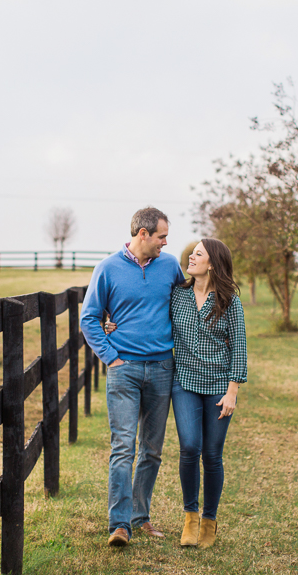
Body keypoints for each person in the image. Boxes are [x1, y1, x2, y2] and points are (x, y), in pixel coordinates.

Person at [105, 238, 248, 549]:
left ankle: (209, 521)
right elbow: (146, 311)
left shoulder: (229, 302)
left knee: (212, 454)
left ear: (212, 263)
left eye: (198, 254)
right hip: (183, 382)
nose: (190, 257)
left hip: (218, 386)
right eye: (192, 253)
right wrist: (111, 323)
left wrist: (233, 390)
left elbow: (239, 347)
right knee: (189, 447)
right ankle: (190, 517)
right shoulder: (178, 295)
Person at [80, 207, 185, 547]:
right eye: (161, 236)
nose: (165, 243)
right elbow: (89, 319)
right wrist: (111, 358)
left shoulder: (170, 266)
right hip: (123, 370)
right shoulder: (108, 269)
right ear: (143, 234)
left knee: (152, 450)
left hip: (161, 369)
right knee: (123, 447)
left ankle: (141, 518)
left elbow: (184, 307)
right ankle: (119, 524)